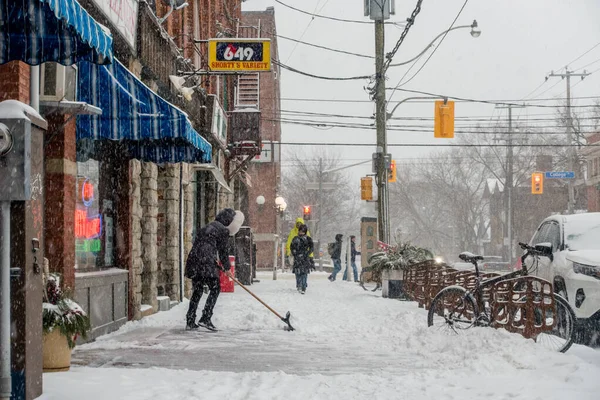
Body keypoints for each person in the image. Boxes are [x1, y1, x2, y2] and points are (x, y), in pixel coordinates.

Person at [184, 208, 244, 331]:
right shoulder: (222, 230)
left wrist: (214, 261)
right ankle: (205, 317)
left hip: (195, 260)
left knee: (198, 290)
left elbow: (204, 246)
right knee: (215, 288)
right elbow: (223, 251)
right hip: (205, 261)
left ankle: (190, 320)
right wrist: (227, 267)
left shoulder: (208, 227)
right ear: (229, 222)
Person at [290, 224, 314, 294]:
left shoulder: (308, 239)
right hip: (298, 258)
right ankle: (299, 285)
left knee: (304, 273)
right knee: (298, 273)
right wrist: (294, 253)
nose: (301, 233)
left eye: (303, 231)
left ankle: (303, 286)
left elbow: (312, 247)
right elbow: (292, 247)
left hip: (304, 258)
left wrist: (307, 253)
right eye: (300, 231)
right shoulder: (295, 239)